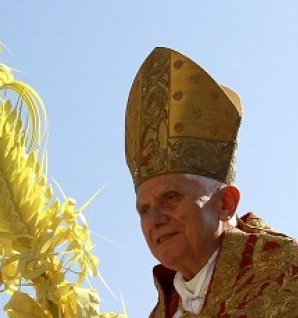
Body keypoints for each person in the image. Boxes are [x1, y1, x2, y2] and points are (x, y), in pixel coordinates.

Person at [125, 47, 298, 317]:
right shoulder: (162, 312)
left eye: (170, 198)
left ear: (226, 203)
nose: (154, 219)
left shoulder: (286, 274)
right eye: (144, 209)